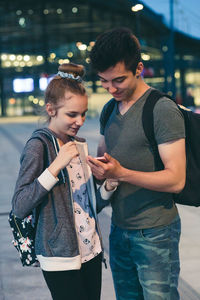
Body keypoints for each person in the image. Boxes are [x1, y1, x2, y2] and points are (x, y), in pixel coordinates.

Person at [87, 27, 186, 300]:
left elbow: (176, 179)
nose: (110, 88)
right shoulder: (109, 109)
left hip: (155, 232)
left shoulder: (161, 109)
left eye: (118, 80)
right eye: (104, 82)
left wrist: (122, 173)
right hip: (119, 229)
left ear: (139, 68)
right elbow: (104, 161)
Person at [11, 63, 115, 300]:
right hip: (59, 256)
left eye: (83, 113)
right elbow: (19, 205)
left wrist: (109, 185)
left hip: (91, 250)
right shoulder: (38, 146)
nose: (79, 121)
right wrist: (56, 165)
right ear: (51, 109)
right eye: (72, 114)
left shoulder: (77, 144)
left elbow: (88, 206)